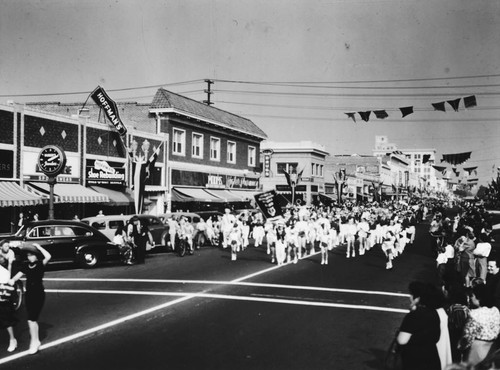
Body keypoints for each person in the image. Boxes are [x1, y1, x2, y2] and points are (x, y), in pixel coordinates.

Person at [8, 243, 51, 355]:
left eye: (31, 255)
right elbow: (18, 275)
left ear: (36, 256)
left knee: (32, 319)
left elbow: (48, 256)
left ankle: (34, 342)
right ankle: (35, 341)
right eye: (28, 255)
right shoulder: (26, 266)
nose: (29, 257)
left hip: (39, 294)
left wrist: (40, 247)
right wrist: (12, 280)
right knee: (31, 319)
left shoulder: (40, 264)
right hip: (29, 294)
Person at [396, 281, 441, 370]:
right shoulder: (434, 313)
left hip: (414, 360)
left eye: (412, 295)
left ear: (417, 298)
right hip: (432, 357)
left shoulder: (413, 316)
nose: (410, 297)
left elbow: (402, 340)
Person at [459, 283, 500, 366]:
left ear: (479, 297)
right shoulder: (495, 311)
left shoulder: (474, 313)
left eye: (472, 295)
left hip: (477, 350)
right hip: (492, 348)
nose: (471, 298)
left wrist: (461, 347)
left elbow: (467, 336)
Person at [0, 255, 18, 353]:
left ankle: (12, 339)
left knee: (5, 319)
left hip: (2, 298)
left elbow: (5, 282)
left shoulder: (3, 271)